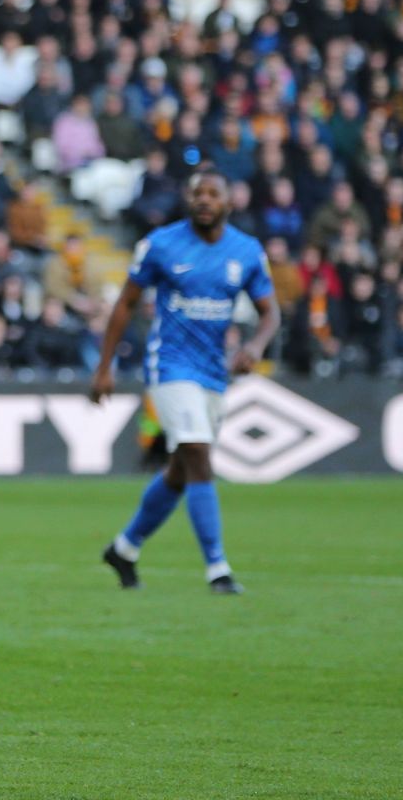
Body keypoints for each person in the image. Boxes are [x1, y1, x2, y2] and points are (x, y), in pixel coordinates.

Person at [91, 170, 280, 595]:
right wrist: (104, 367)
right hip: (170, 365)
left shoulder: (246, 252)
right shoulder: (160, 245)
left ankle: (124, 548)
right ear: (187, 199)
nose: (204, 200)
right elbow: (125, 304)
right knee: (197, 453)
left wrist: (256, 345)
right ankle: (218, 569)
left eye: (213, 193)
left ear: (229, 201)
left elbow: (271, 313)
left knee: (181, 471)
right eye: (197, 193)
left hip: (214, 371)